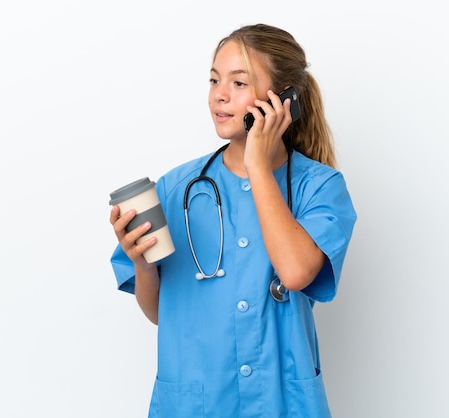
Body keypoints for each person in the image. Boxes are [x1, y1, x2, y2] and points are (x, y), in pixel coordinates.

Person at [109, 23, 357, 417]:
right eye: (214, 80)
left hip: (281, 404)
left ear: (284, 101)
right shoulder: (176, 190)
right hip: (197, 405)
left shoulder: (319, 187)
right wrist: (141, 264)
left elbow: (294, 273)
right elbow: (163, 313)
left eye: (239, 83)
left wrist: (257, 162)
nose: (219, 95)